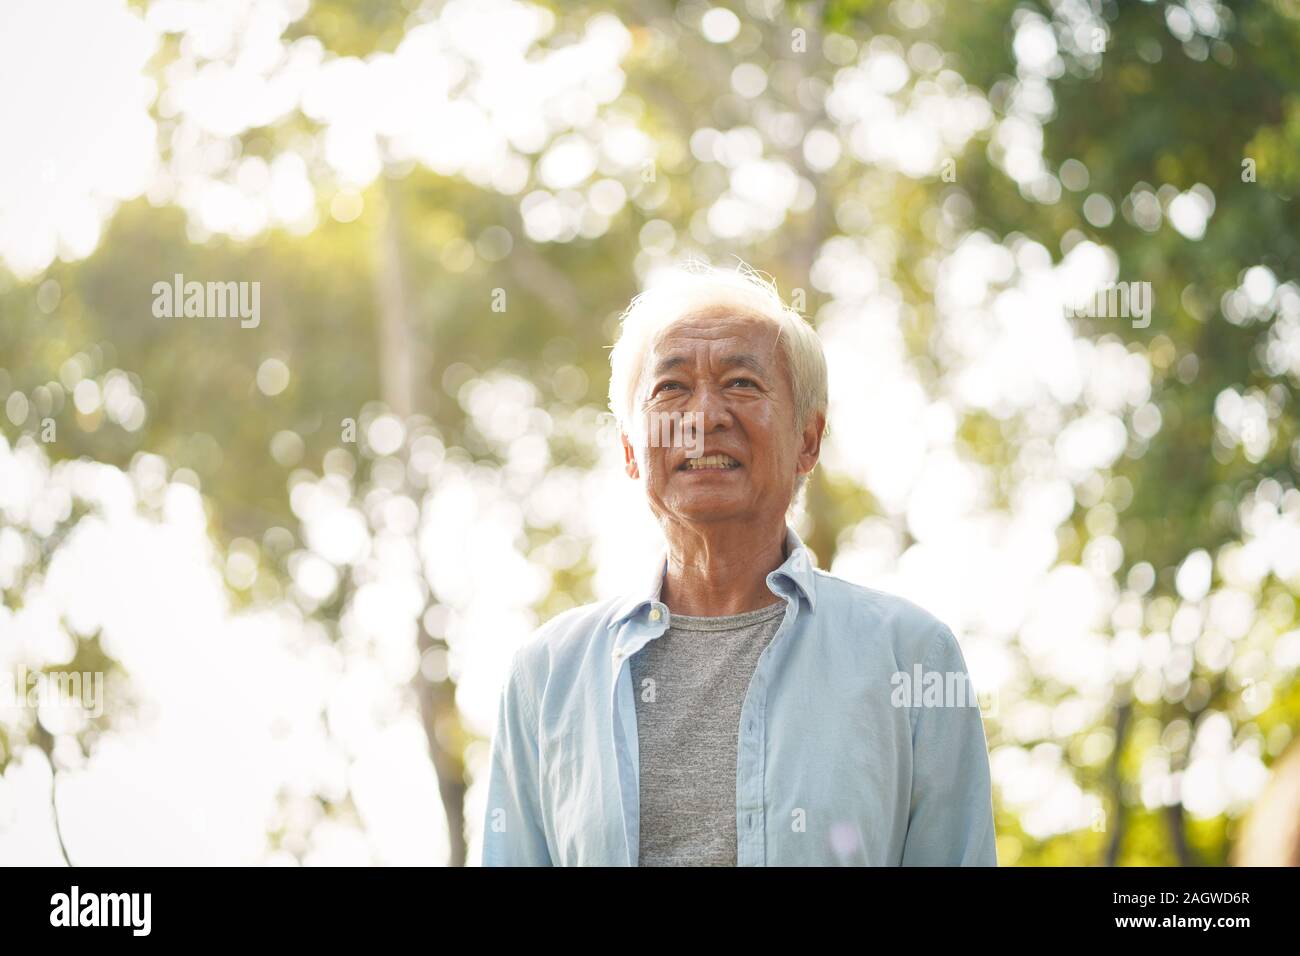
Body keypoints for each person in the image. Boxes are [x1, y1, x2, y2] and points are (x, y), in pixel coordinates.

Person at [481, 261, 996, 866]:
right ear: (629, 449)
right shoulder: (547, 676)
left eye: (742, 385)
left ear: (808, 440)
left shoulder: (912, 657)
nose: (705, 417)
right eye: (671, 388)